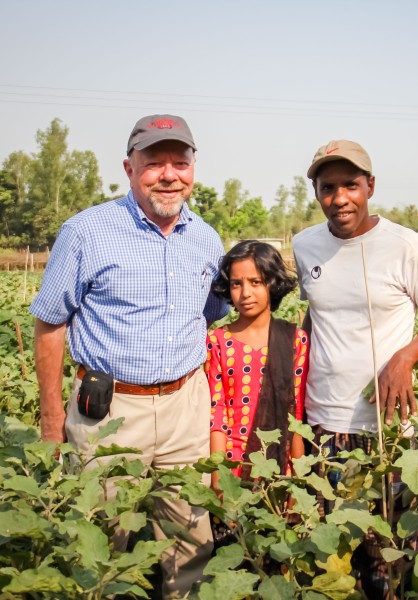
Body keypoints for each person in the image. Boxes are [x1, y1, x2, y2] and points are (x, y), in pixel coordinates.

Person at [30, 114, 229, 599]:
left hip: (186, 405)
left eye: (179, 163)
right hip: (109, 409)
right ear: (128, 167)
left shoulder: (206, 238)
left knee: (190, 541)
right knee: (97, 541)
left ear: (193, 169)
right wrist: (52, 417)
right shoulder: (86, 232)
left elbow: (209, 315)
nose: (168, 174)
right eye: (153, 163)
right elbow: (50, 324)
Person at [292, 140, 418, 597]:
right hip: (324, 427)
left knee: (391, 558)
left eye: (350, 185)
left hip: (388, 432)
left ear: (370, 186)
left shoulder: (407, 245)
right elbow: (315, 316)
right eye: (328, 188)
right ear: (317, 192)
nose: (340, 198)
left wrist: (404, 358)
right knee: (333, 560)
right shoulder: (305, 245)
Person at [205, 240, 308, 487]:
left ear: (272, 283)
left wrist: (299, 478)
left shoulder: (294, 340)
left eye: (256, 282)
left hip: (280, 466)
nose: (245, 293)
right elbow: (216, 415)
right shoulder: (218, 341)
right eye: (236, 284)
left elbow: (296, 413)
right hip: (233, 465)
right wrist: (220, 480)